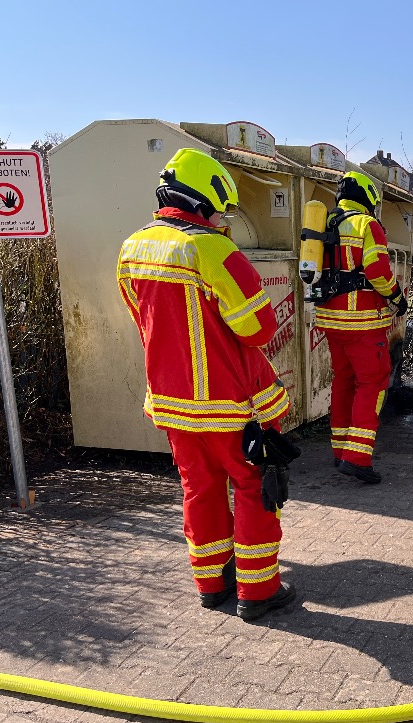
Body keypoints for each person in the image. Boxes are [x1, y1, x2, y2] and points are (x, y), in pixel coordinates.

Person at [116, 148, 296, 621]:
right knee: (255, 486)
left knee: (199, 488)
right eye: (221, 211)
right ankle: (258, 591)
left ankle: (212, 584)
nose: (222, 220)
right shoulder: (212, 249)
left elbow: (143, 319)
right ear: (201, 200)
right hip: (231, 404)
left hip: (171, 402)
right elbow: (257, 327)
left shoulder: (132, 247)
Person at [312, 170, 407, 484]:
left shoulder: (325, 223)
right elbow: (377, 271)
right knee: (372, 383)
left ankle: (340, 450)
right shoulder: (368, 224)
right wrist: (397, 297)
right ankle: (357, 458)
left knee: (343, 381)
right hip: (363, 322)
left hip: (330, 320)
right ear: (368, 197)